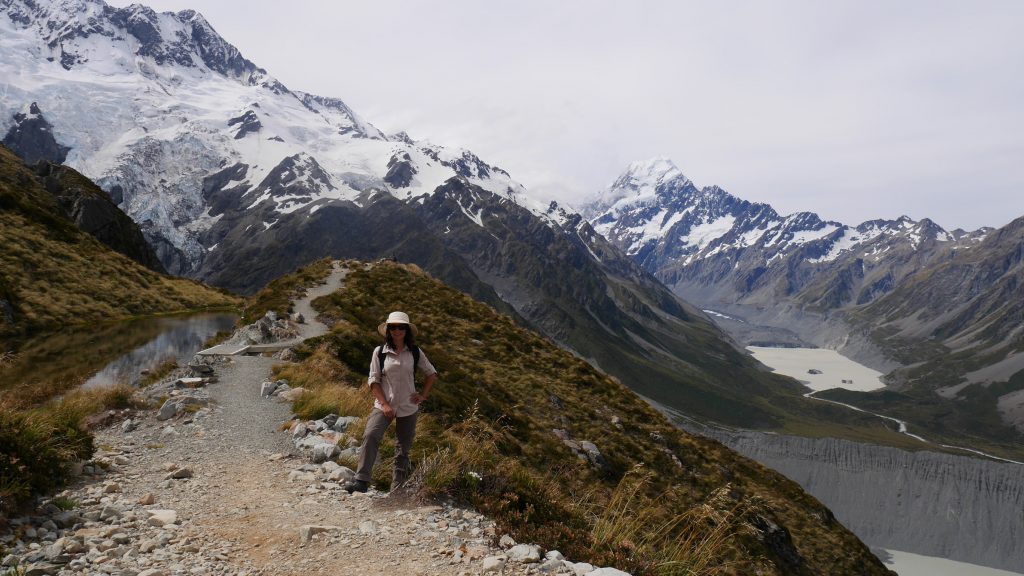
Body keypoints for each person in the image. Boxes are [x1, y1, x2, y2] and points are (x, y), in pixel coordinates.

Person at [344, 311, 438, 493]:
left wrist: (423, 395)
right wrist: (385, 404)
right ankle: (361, 481)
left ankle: (397, 487)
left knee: (403, 447)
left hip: (408, 406)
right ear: (388, 330)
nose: (396, 330)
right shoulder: (379, 352)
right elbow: (373, 380)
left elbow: (431, 374)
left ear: (407, 330)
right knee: (371, 436)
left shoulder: (415, 352)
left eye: (400, 327)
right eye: (393, 327)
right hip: (383, 405)